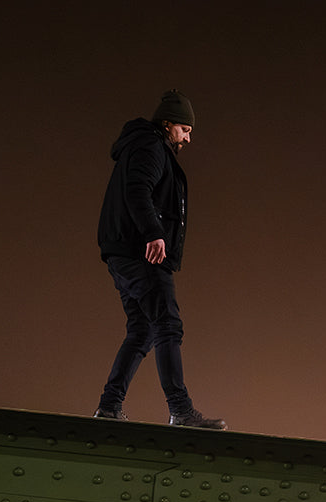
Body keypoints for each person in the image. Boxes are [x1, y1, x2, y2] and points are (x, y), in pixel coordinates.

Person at [93, 90, 226, 430]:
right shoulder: (151, 148)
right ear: (168, 125)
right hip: (140, 252)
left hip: (122, 251)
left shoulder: (144, 147)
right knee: (167, 325)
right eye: (185, 130)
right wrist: (154, 233)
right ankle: (180, 411)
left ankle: (109, 406)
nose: (188, 138)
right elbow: (137, 189)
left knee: (141, 330)